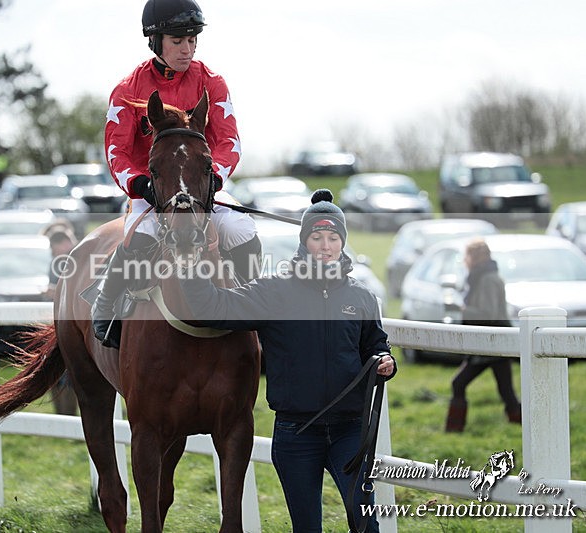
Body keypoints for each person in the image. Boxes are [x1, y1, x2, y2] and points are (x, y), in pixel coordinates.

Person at [177, 189, 396, 533]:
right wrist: (191, 265)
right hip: (297, 434)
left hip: (350, 431)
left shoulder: (362, 297)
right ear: (304, 241)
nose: (325, 246)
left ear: (342, 243)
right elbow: (213, 308)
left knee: (366, 523)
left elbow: (374, 344)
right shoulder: (274, 292)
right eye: (317, 237)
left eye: (333, 238)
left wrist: (384, 360)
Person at [93, 0, 261, 348]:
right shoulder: (127, 90)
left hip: (201, 187)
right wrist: (140, 184)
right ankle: (105, 307)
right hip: (151, 191)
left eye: (192, 40)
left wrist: (214, 178)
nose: (187, 49)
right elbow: (116, 151)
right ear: (156, 41)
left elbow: (228, 142)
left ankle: (257, 308)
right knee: (140, 237)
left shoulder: (212, 83)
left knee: (240, 228)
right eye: (177, 41)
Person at [445, 238, 521, 432]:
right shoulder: (481, 277)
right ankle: (523, 425)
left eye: (467, 255)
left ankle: (454, 430)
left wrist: (461, 309)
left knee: (459, 383)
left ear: (474, 257)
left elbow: (489, 314)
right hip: (491, 342)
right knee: (507, 392)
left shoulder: (488, 279)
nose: (465, 260)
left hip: (492, 343)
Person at [44, 227, 80, 415]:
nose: (53, 252)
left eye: (54, 247)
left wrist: (55, 292)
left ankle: (67, 415)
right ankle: (64, 415)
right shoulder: (60, 262)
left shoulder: (76, 259)